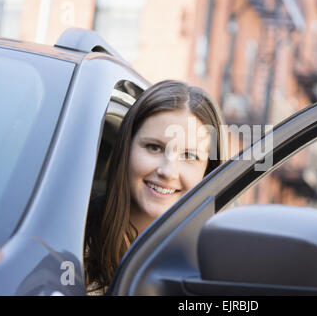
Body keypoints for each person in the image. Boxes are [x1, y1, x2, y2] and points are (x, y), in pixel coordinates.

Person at [84, 80, 225, 294]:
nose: (168, 171)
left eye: (189, 156)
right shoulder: (73, 233)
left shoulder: (207, 271)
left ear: (207, 172)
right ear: (126, 149)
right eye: (154, 147)